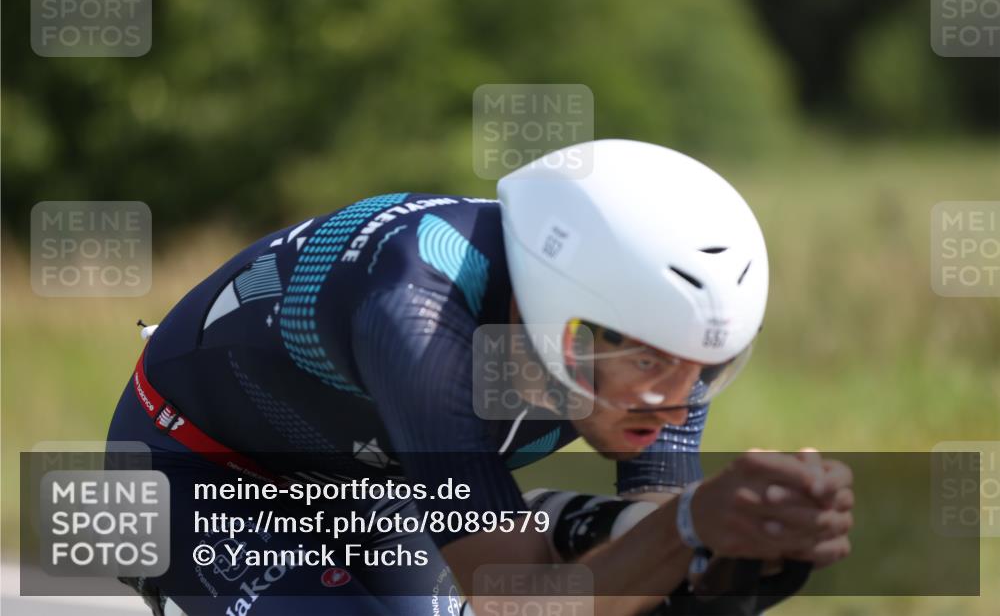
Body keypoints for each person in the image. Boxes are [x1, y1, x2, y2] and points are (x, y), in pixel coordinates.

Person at [106, 139, 853, 616]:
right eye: (652, 362)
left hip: (368, 481)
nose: (675, 398)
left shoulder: (657, 337)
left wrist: (725, 562)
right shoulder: (417, 311)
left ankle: (551, 521)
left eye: (708, 369)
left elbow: (652, 520)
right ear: (567, 310)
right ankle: (546, 522)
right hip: (193, 470)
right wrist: (687, 528)